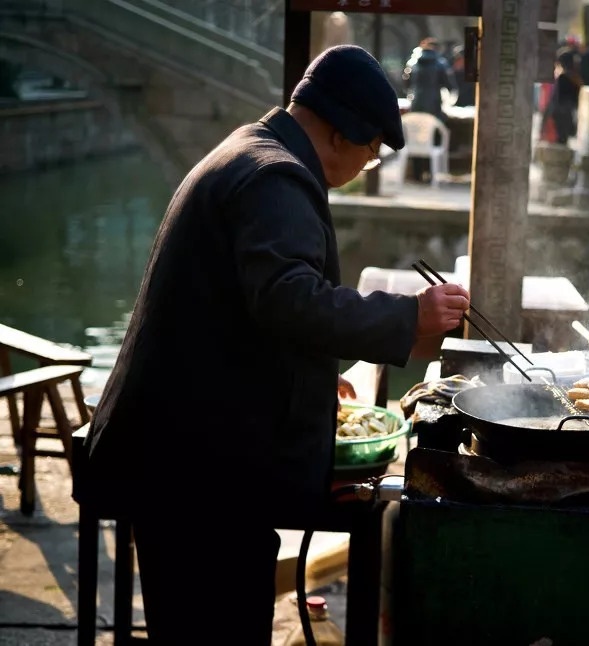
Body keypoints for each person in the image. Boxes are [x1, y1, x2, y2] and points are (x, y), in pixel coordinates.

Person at [82, 45, 470, 645]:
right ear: (341, 134)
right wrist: (409, 315)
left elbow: (245, 309)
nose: (365, 167)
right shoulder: (277, 177)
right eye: (369, 154)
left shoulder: (253, 148)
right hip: (199, 473)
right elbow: (289, 298)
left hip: (186, 457)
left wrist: (313, 378)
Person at [403, 37, 457, 183]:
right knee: (433, 138)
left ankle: (416, 173)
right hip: (433, 107)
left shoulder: (412, 63)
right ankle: (431, 172)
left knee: (415, 138)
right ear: (436, 49)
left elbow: (406, 85)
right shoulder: (441, 64)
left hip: (415, 107)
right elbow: (451, 87)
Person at [540, 47, 582, 145]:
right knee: (564, 140)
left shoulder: (563, 77)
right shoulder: (576, 78)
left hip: (560, 112)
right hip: (570, 111)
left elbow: (556, 98)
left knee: (559, 140)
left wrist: (547, 116)